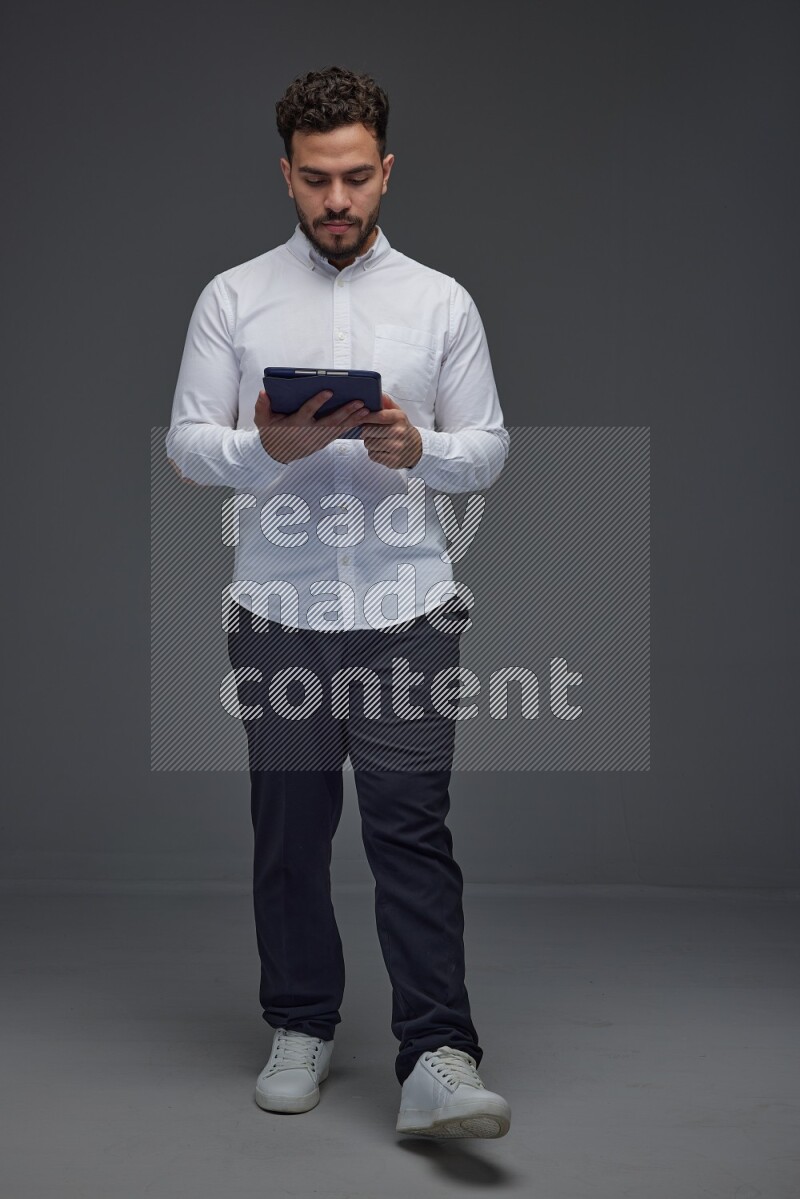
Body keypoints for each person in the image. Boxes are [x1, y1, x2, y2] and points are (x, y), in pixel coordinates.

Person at [166, 65, 512, 1139]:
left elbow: (489, 449)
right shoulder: (232, 296)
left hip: (408, 610)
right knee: (290, 832)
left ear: (385, 171)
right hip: (278, 613)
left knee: (411, 830)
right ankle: (301, 1021)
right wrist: (261, 446)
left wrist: (423, 447)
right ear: (286, 175)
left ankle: (437, 1054)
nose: (337, 201)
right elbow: (186, 444)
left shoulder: (439, 301)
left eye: (356, 177)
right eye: (316, 180)